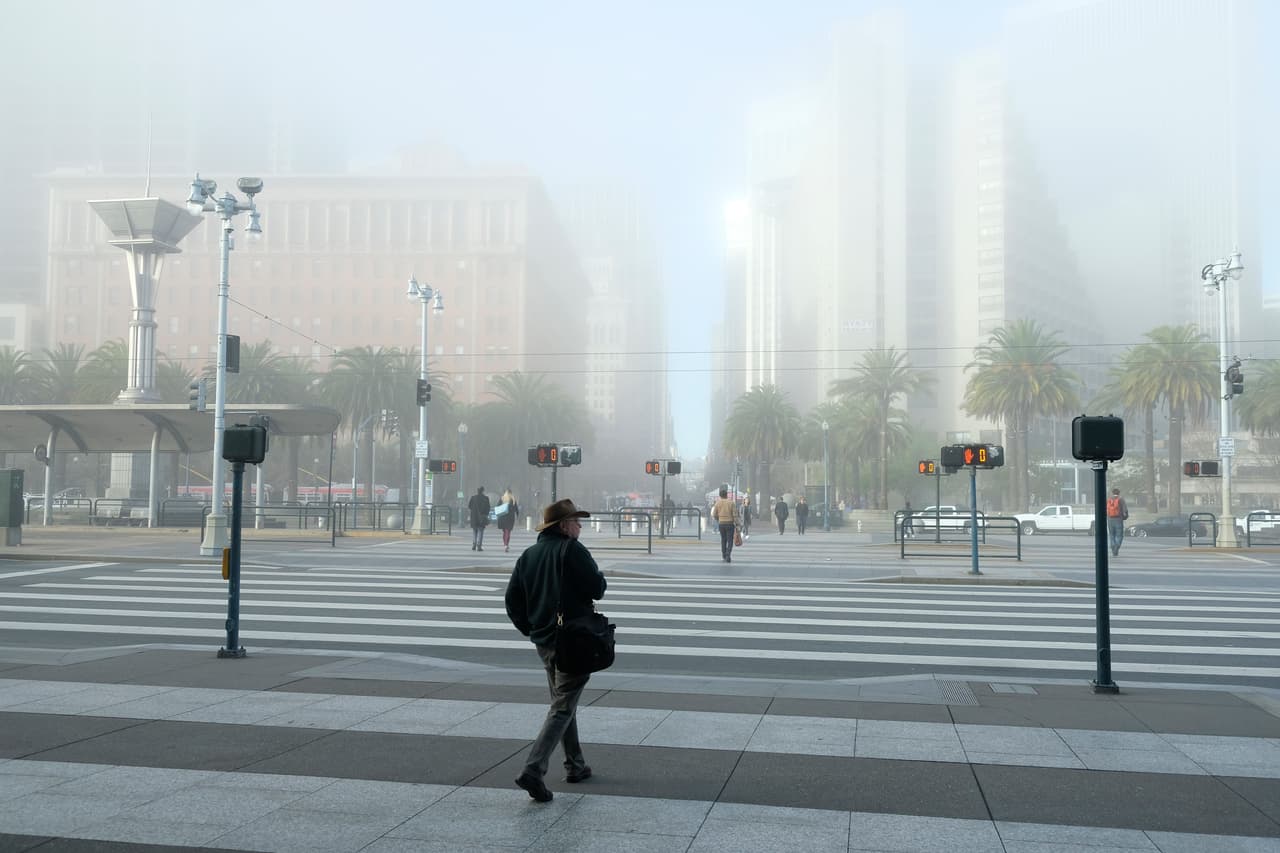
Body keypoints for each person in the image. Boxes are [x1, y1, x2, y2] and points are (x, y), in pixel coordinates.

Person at [504, 498, 606, 803]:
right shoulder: (572, 550)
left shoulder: (529, 555)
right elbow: (597, 588)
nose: (580, 527)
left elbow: (513, 601)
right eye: (576, 522)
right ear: (563, 526)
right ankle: (533, 769)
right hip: (573, 640)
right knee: (562, 706)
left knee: (563, 701)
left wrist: (532, 629)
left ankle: (575, 764)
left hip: (544, 641)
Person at [710, 486, 740, 562]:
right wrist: (737, 523)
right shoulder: (731, 503)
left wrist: (718, 519)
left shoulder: (717, 503)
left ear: (720, 496)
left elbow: (714, 514)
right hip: (730, 524)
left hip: (721, 524)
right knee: (730, 540)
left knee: (723, 539)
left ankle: (723, 554)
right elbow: (735, 515)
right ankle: (728, 555)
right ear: (727, 495)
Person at [1106, 488, 1129, 556]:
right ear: (1119, 493)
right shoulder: (1121, 499)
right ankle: (1117, 546)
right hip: (1118, 519)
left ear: (1112, 493)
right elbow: (1125, 509)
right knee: (1119, 535)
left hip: (1110, 519)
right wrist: (1125, 516)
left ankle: (1113, 546)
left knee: (1112, 534)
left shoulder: (1109, 499)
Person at [468, 486, 491, 551]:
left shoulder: (473, 498)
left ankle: (474, 544)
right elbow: (488, 508)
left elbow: (469, 506)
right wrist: (485, 514)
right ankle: (479, 546)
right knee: (480, 531)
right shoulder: (486, 498)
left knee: (474, 531)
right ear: (483, 491)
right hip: (482, 517)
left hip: (474, 517)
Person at [497, 487, 520, 553]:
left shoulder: (502, 498)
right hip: (510, 517)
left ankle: (505, 544)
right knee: (508, 531)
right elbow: (516, 509)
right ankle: (506, 545)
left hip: (502, 517)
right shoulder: (512, 499)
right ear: (511, 492)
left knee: (504, 531)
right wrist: (517, 516)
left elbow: (497, 506)